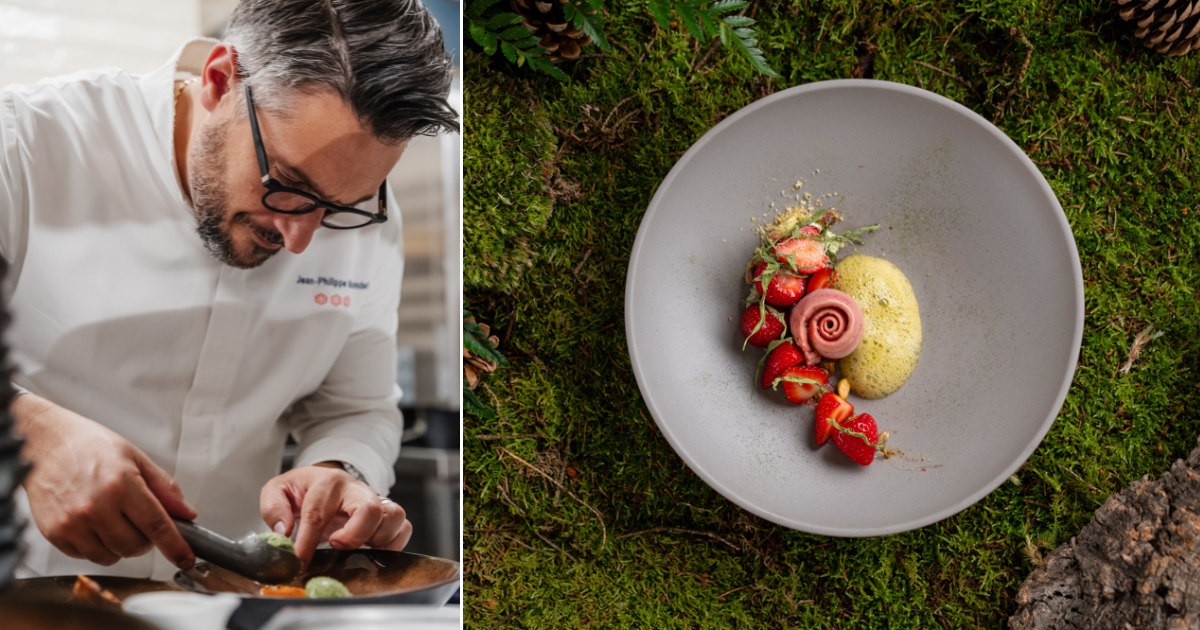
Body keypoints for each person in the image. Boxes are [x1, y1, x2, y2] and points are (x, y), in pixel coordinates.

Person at [0, 0, 458, 580]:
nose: (301, 239)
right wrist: (31, 434)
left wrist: (342, 468)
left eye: (343, 207)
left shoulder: (371, 221)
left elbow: (356, 406)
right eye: (288, 185)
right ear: (219, 79)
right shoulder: (22, 144)